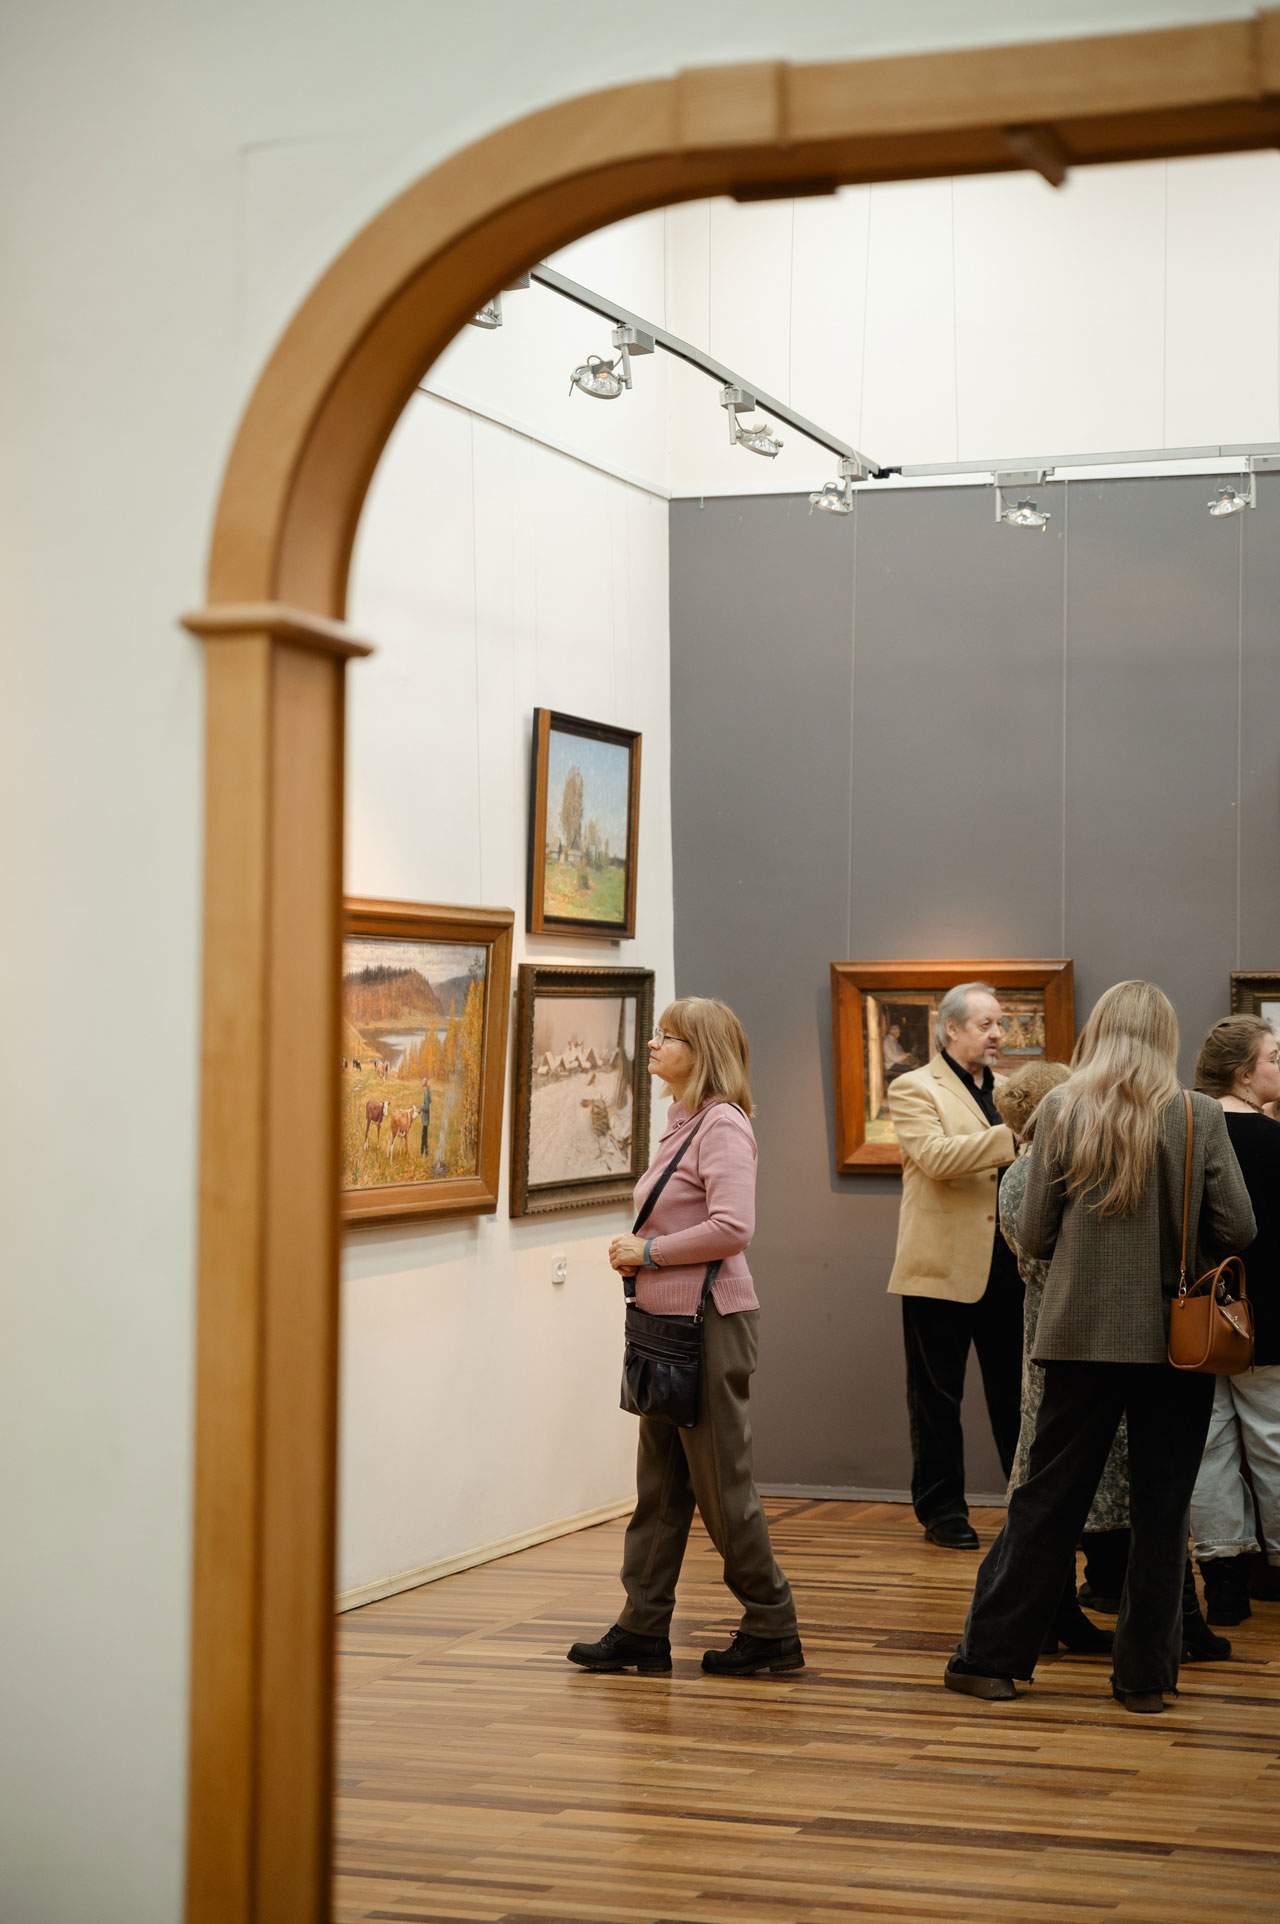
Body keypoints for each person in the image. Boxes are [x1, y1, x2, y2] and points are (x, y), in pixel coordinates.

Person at [945, 980, 1255, 1714]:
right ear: (1165, 1037)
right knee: (1162, 1508)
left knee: (1047, 1500)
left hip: (1078, 1334)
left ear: (1100, 1033)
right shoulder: (1197, 1114)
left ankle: (990, 1661)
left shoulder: (1062, 1107)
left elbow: (1034, 1231)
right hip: (1174, 1342)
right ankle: (1143, 1678)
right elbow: (1238, 1227)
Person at [567, 997, 802, 1678]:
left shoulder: (723, 1124)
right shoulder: (682, 1120)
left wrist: (648, 1252)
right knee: (661, 1488)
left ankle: (772, 1625)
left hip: (709, 1327)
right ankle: (641, 1627)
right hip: (665, 1330)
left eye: (667, 1036)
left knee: (723, 1490)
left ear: (702, 1052)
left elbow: (733, 1228)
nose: (653, 1044)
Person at [887, 982, 1022, 1548]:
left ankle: (1030, 1512)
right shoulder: (913, 1087)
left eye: (1001, 1024)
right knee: (936, 1400)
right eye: (987, 1024)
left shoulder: (1012, 1091)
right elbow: (937, 1158)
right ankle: (942, 1513)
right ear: (952, 1028)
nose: (998, 1035)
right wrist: (1015, 1135)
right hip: (939, 1270)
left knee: (1018, 1398)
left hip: (1010, 1269)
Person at [995, 1059, 1117, 1656]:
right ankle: (1049, 1612)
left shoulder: (1019, 1172)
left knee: (1044, 1468)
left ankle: (1055, 1611)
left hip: (1044, 1329)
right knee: (1055, 1476)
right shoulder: (1039, 1173)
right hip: (1063, 1331)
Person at [1190, 1015, 1280, 1625]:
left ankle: (1223, 1585)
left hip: (1196, 1319)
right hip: (1269, 1314)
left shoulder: (1185, 1134)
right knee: (1274, 1442)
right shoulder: (1274, 1141)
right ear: (1244, 1073)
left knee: (1208, 1448)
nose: (1279, 1067)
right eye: (1273, 1057)